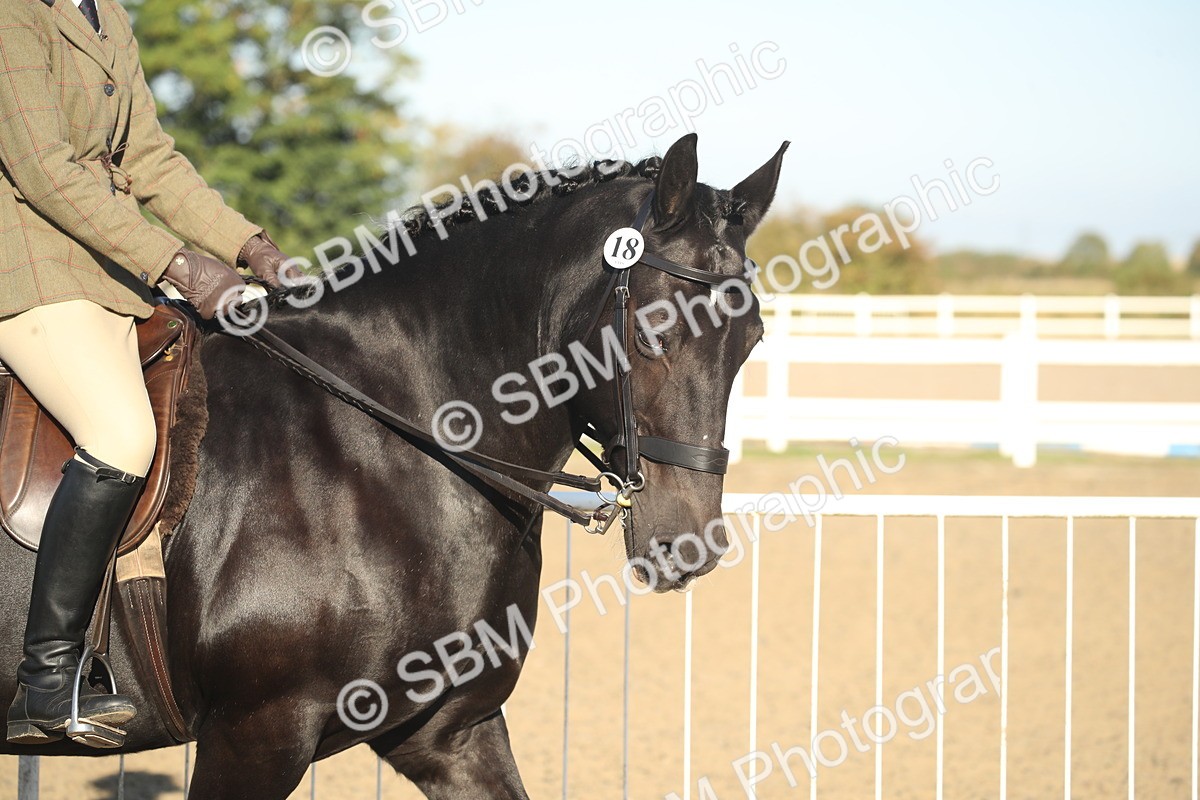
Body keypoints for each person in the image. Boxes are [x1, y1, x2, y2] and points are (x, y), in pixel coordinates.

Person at [0, 0, 296, 746]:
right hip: (28, 265)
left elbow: (150, 160)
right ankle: (47, 678)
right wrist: (177, 262)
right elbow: (43, 169)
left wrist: (248, 246)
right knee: (122, 433)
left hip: (107, 268)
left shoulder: (109, 19)